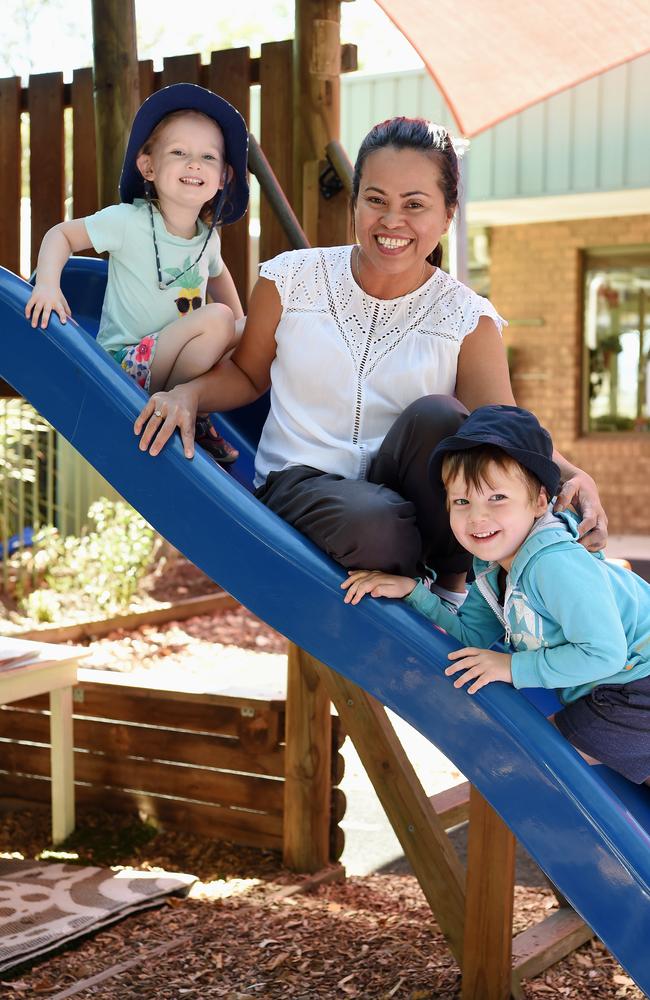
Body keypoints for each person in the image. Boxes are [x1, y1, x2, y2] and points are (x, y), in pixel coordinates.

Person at [133, 116, 608, 589]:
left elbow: (503, 432)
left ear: (447, 215)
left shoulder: (468, 318)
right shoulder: (291, 280)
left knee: (444, 417)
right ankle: (418, 560)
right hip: (302, 486)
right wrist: (190, 395)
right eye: (376, 200)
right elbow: (247, 374)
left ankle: (449, 586)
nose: (392, 220)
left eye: (414, 204)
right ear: (356, 202)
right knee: (378, 522)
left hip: (412, 502)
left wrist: (573, 474)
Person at [342, 405, 650, 786]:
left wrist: (510, 668)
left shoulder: (553, 564)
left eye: (497, 499)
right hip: (613, 687)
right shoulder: (491, 566)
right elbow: (469, 637)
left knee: (539, 761)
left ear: (539, 502)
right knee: (535, 752)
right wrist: (413, 592)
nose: (477, 517)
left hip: (638, 686)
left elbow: (605, 653)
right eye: (462, 502)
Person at [25, 83, 249, 465]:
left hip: (176, 363)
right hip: (126, 366)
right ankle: (190, 407)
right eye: (179, 152)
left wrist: (241, 327)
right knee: (220, 319)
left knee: (250, 328)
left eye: (208, 157)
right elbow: (60, 234)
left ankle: (184, 403)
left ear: (223, 177)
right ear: (148, 166)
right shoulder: (128, 221)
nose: (194, 164)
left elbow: (219, 276)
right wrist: (47, 283)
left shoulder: (207, 239)